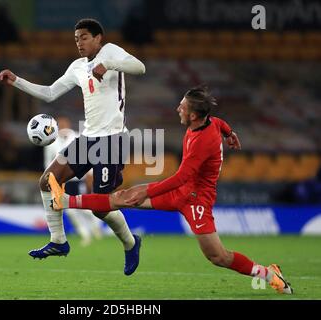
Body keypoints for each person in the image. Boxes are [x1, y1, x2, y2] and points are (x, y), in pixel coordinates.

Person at [48, 86, 293, 294]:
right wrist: (231, 134)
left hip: (197, 198)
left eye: (183, 107)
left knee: (217, 257)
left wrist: (148, 190)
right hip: (182, 189)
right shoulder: (208, 122)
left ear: (195, 115)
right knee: (123, 197)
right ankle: (65, 200)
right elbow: (219, 122)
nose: (178, 109)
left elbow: (182, 177)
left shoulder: (203, 141)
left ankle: (268, 273)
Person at [0, 18, 146, 275]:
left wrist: (107, 64)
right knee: (47, 181)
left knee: (101, 208)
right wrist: (16, 81)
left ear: (98, 38)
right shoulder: (77, 67)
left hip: (112, 139)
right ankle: (58, 241)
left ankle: (131, 243)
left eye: (84, 37)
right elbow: (49, 93)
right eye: (76, 38)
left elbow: (140, 67)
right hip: (88, 139)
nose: (79, 42)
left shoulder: (110, 51)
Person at [43, 116, 102, 246]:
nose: (63, 126)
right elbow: (48, 163)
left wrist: (90, 176)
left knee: (81, 207)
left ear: (68, 123)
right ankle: (85, 234)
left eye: (65, 123)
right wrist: (50, 180)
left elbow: (88, 158)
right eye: (60, 124)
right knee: (70, 211)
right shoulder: (51, 142)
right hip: (61, 182)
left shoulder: (78, 138)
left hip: (77, 179)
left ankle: (96, 224)